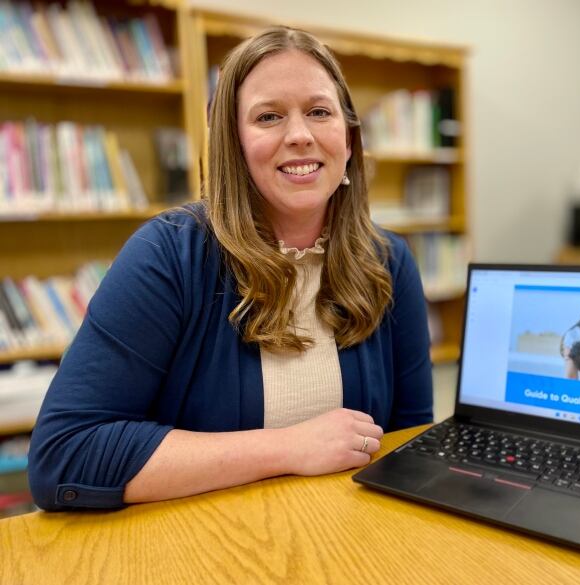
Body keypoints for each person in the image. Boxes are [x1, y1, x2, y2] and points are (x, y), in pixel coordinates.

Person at [27, 26, 433, 512]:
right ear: (233, 145)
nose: (300, 135)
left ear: (347, 139)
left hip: (345, 542)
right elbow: (64, 456)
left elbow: (410, 443)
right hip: (204, 545)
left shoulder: (387, 261)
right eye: (269, 116)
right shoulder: (168, 255)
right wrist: (286, 448)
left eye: (319, 112)